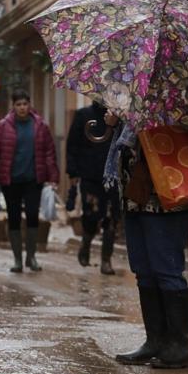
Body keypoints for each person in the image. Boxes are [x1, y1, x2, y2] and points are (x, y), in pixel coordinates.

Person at [108, 123, 188, 369]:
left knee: (167, 269)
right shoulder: (136, 102)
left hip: (168, 198)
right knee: (143, 268)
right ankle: (156, 341)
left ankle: (180, 347)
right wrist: (116, 123)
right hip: (136, 195)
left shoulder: (183, 101)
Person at [0, 90, 59, 273]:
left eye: (25, 104)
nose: (22, 108)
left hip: (33, 180)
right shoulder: (2, 127)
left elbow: (49, 154)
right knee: (13, 218)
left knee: (31, 216)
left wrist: (53, 178)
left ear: (29, 105)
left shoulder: (40, 126)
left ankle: (31, 257)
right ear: (13, 107)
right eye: (18, 104)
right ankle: (17, 260)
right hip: (10, 180)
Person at [65, 101, 120, 274]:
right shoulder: (83, 115)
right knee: (91, 215)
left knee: (111, 218)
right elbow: (72, 145)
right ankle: (86, 243)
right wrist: (73, 172)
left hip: (113, 178)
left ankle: (106, 260)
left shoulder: (120, 117)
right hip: (90, 175)